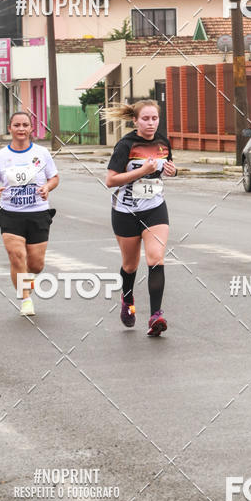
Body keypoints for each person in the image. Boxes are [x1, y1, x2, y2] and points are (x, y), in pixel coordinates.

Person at [104, 100, 177, 336]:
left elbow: (166, 168)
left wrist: (173, 171)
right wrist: (141, 171)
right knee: (130, 265)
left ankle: (156, 315)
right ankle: (128, 300)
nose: (151, 123)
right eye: (145, 119)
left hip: (154, 208)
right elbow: (111, 180)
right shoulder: (125, 145)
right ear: (135, 121)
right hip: (126, 212)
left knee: (156, 258)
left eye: (154, 118)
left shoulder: (163, 142)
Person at [0, 111, 59, 316]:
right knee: (17, 256)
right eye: (16, 125)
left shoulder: (42, 153)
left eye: (25, 125)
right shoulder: (1, 156)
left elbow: (54, 177)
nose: (21, 129)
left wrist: (47, 187)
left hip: (38, 213)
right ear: (10, 128)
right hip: (11, 214)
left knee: (36, 264)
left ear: (31, 128)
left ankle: (28, 279)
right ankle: (26, 299)